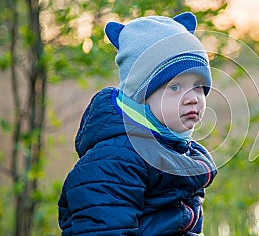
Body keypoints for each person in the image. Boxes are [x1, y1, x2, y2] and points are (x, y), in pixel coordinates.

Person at [58, 12, 217, 235]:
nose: (193, 98)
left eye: (198, 85)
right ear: (140, 96)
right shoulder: (115, 160)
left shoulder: (179, 150)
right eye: (175, 87)